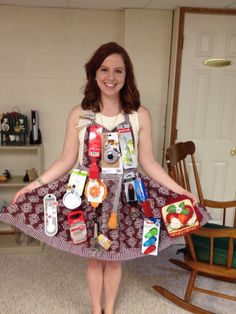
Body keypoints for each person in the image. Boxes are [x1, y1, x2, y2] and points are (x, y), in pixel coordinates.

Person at [0, 42, 210, 314]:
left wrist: (181, 190)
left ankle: (109, 309)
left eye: (118, 71)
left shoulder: (139, 116)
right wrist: (33, 185)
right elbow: (66, 159)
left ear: (127, 75)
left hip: (126, 197)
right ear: (94, 73)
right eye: (104, 69)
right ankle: (95, 309)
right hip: (89, 196)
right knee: (93, 257)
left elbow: (148, 163)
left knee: (113, 259)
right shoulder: (80, 114)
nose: (111, 77)